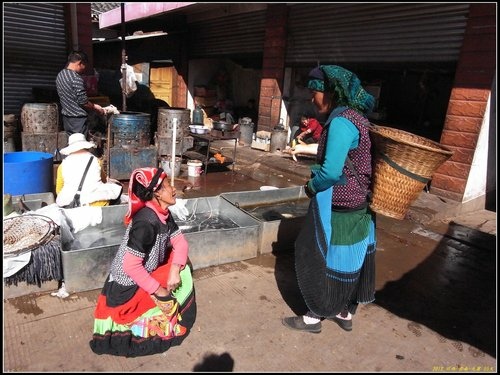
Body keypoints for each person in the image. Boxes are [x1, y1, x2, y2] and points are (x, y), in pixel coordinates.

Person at [282, 65, 377, 334]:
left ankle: (314, 316)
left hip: (341, 206)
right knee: (348, 259)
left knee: (323, 258)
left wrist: (311, 186)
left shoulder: (341, 122)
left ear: (331, 92)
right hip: (358, 203)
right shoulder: (355, 117)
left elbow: (331, 172)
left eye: (315, 93)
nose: (312, 99)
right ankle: (344, 312)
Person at [89, 167, 197, 357]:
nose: (173, 189)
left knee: (181, 265)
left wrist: (173, 270)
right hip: (127, 284)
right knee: (171, 297)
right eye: (167, 186)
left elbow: (180, 242)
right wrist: (160, 291)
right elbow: (131, 266)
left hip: (145, 270)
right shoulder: (145, 223)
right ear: (156, 193)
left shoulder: (162, 213)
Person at [55, 133, 122, 208]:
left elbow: (58, 190)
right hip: (96, 204)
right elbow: (103, 181)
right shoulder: (96, 160)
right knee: (117, 187)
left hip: (70, 204)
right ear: (85, 146)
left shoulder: (63, 165)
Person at [56, 51, 106, 137]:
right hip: (78, 120)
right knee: (80, 144)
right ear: (80, 63)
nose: (84, 68)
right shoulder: (76, 78)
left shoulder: (60, 75)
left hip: (66, 117)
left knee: (71, 143)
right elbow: (83, 102)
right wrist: (95, 107)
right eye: (84, 65)